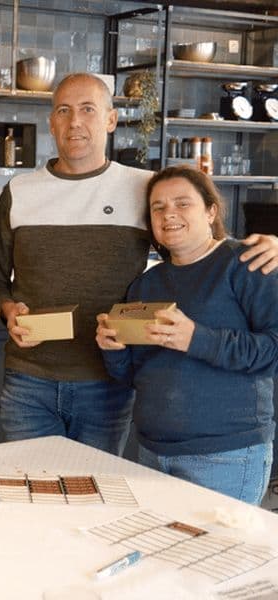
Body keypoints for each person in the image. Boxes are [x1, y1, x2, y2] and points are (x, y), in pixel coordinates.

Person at [0, 72, 278, 455]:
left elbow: (197, 243)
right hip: (29, 381)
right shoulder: (19, 191)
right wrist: (8, 310)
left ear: (111, 120)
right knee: (29, 483)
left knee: (97, 489)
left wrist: (269, 244)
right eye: (64, 111)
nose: (75, 122)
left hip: (107, 383)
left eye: (88, 110)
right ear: (51, 122)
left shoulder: (143, 187)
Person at [96, 166, 276, 503]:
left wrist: (196, 339)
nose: (169, 214)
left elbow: (273, 350)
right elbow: (133, 376)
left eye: (182, 203)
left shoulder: (246, 263)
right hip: (152, 453)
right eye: (158, 207)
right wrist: (113, 349)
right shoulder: (146, 284)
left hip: (225, 456)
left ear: (210, 211)